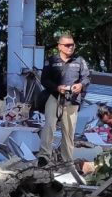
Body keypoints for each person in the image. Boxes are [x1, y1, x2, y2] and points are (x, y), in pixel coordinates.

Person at [38, 32, 91, 163]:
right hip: (54, 96)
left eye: (72, 45)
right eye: (67, 45)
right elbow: (44, 79)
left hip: (72, 99)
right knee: (49, 125)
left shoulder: (79, 61)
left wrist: (81, 85)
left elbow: (87, 77)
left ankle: (67, 160)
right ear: (59, 46)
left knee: (68, 130)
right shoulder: (51, 60)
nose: (70, 47)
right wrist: (57, 88)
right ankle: (44, 156)